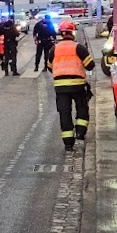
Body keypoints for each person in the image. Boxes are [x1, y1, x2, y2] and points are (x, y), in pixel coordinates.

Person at [46, 19, 95, 151]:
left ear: (61, 34)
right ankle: (80, 132)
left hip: (61, 87)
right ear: (72, 32)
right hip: (78, 85)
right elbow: (90, 65)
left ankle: (68, 142)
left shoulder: (54, 49)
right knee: (81, 108)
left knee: (64, 113)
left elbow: (50, 67)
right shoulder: (79, 47)